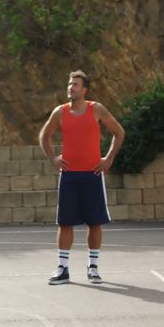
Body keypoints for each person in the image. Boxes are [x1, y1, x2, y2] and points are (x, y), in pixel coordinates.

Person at [38, 70, 125, 285]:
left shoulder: (96, 109)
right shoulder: (60, 112)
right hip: (69, 175)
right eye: (69, 84)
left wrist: (108, 159)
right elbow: (44, 135)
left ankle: (93, 267)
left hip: (92, 174)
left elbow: (119, 132)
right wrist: (53, 158)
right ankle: (63, 268)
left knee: (94, 222)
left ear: (84, 89)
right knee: (65, 223)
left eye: (75, 84)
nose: (70, 87)